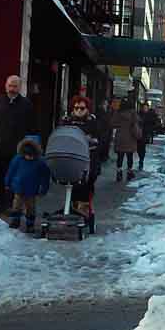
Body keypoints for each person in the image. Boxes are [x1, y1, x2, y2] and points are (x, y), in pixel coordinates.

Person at [0, 75, 36, 214]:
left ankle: (11, 204)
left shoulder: (26, 105)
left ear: (20, 87)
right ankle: (1, 203)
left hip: (17, 149)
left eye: (15, 86)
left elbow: (32, 127)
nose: (12, 89)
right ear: (5, 86)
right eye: (10, 85)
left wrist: (30, 147)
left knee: (15, 177)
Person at [60, 95, 101, 231]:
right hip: (70, 158)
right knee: (71, 186)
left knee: (85, 188)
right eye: (76, 108)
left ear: (87, 109)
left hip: (88, 159)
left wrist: (90, 141)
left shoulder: (93, 122)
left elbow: (99, 139)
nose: (78, 110)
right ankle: (71, 209)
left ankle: (84, 213)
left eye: (82, 108)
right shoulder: (67, 121)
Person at [3, 135, 50, 232]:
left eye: (31, 156)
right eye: (27, 155)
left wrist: (44, 188)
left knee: (31, 207)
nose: (29, 158)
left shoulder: (40, 162)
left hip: (32, 190)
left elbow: (45, 177)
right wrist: (7, 182)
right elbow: (11, 171)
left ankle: (30, 224)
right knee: (16, 205)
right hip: (18, 187)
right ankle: (15, 221)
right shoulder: (17, 159)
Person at [112, 98, 141, 181]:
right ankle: (129, 172)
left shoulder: (118, 113)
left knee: (120, 157)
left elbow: (112, 123)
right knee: (130, 156)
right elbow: (137, 122)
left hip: (120, 137)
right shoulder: (133, 113)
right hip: (130, 138)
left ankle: (119, 172)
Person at [136, 103, 160, 170]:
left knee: (142, 148)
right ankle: (140, 158)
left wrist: (150, 129)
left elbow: (155, 123)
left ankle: (141, 160)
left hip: (145, 133)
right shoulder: (138, 114)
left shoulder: (150, 115)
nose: (145, 109)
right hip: (138, 133)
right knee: (138, 148)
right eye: (144, 107)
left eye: (146, 107)